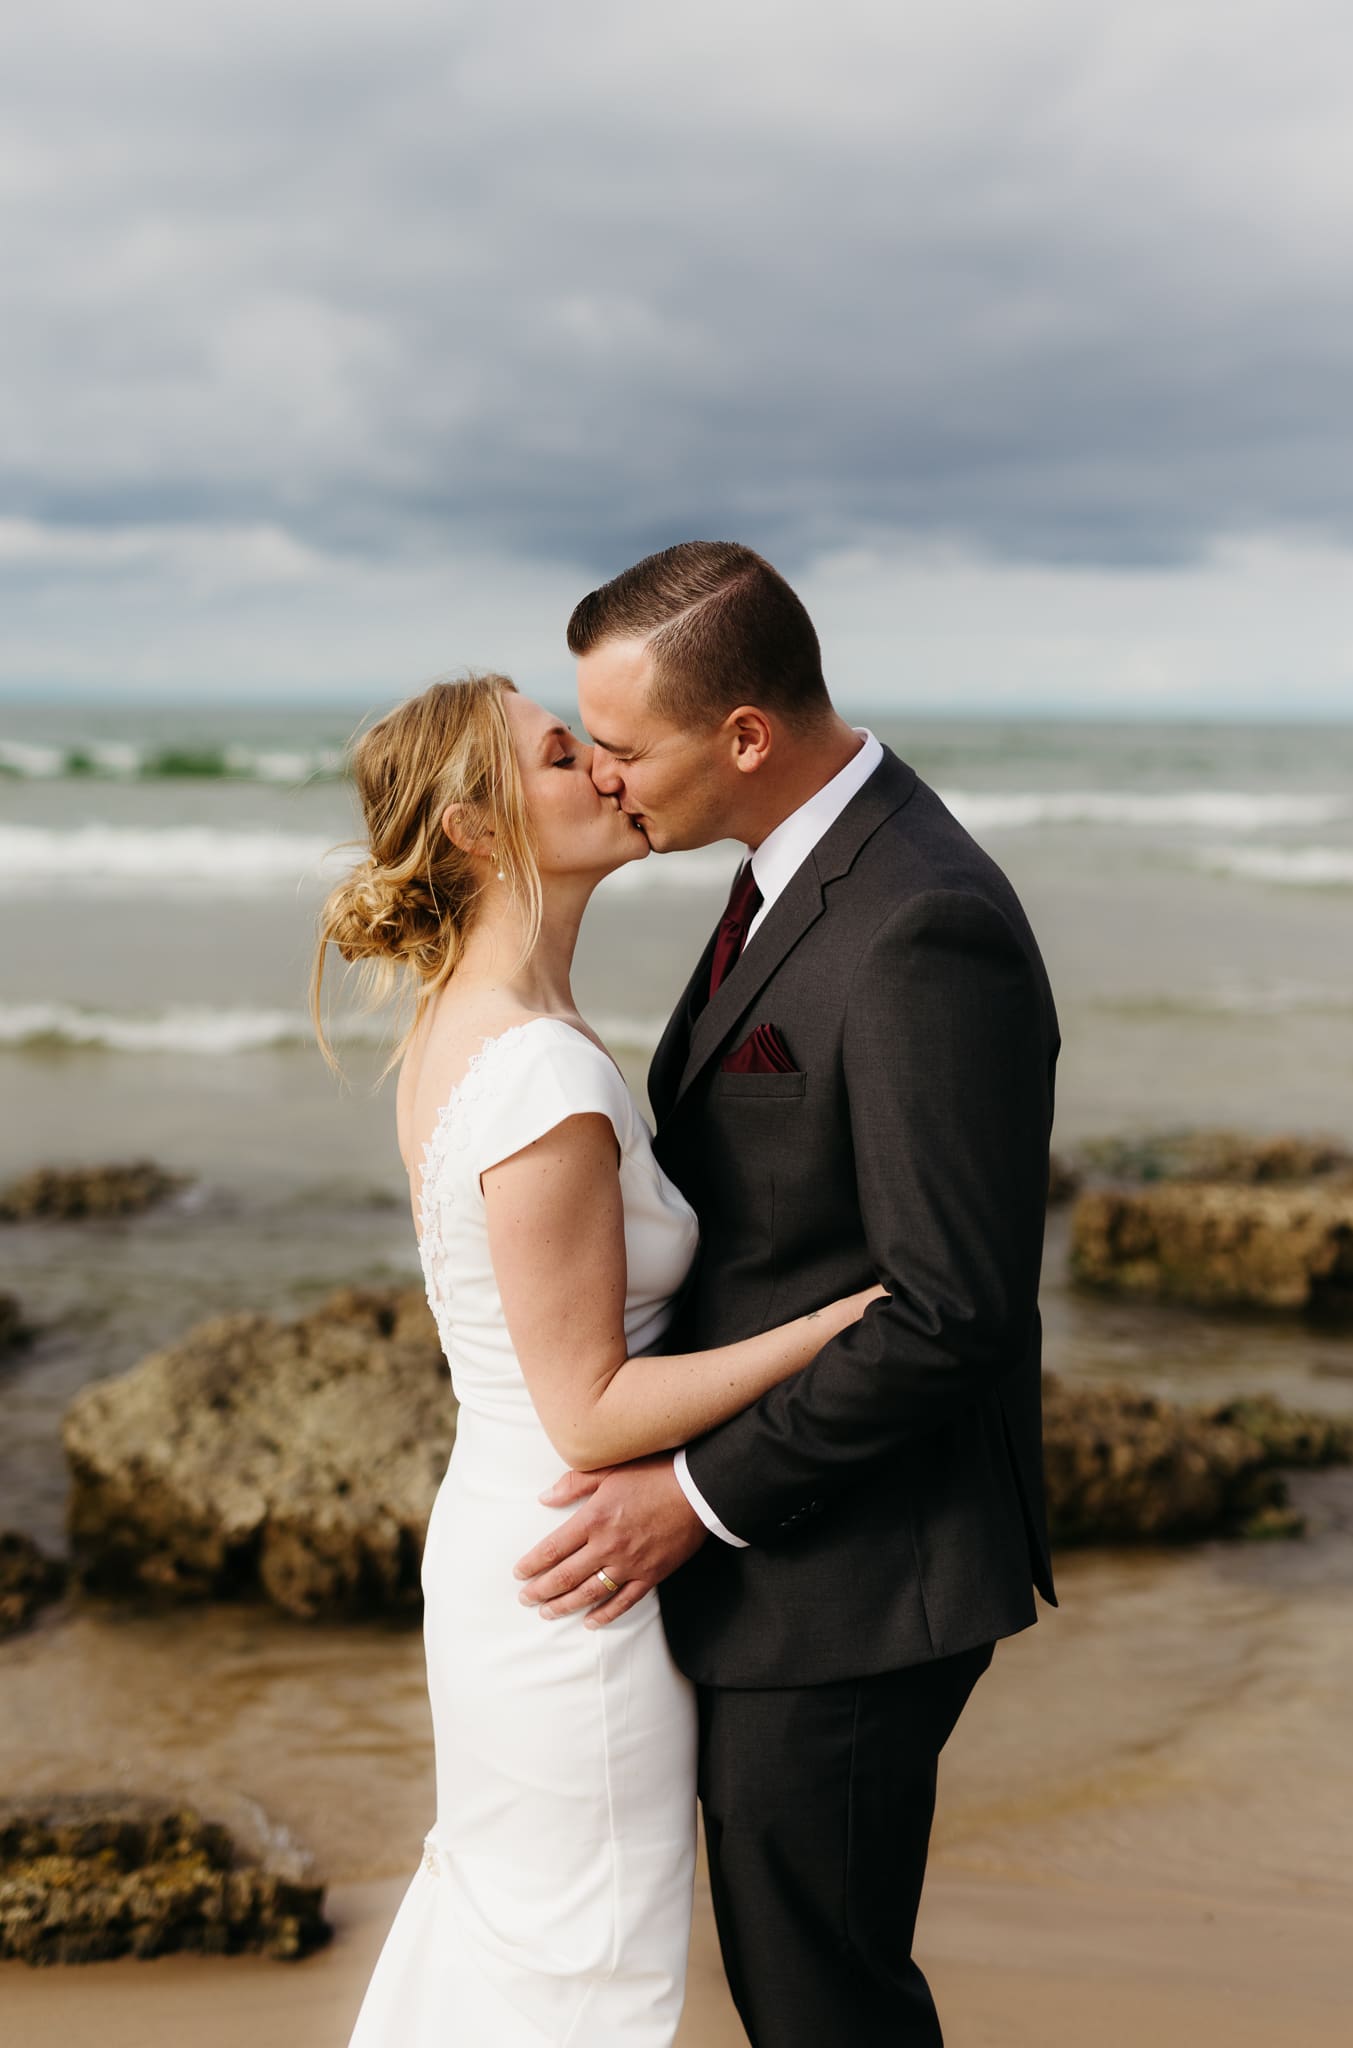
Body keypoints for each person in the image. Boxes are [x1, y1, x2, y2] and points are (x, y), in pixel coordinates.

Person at [513, 541, 1061, 2047]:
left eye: (623, 747)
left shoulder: (915, 921)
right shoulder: (794, 866)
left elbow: (952, 1308)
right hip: (801, 1560)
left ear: (743, 736)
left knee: (822, 2000)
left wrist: (691, 1496)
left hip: (857, 1575)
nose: (607, 777)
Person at [311, 672, 883, 2046]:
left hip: (515, 1552)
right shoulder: (538, 1077)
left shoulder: (476, 1025)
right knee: (585, 1982)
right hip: (576, 1576)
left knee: (522, 1946)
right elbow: (590, 1408)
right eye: (565, 757)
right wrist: (836, 1323)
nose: (611, 771)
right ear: (477, 832)